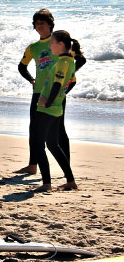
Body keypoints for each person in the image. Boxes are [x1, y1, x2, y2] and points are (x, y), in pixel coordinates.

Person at [16, 9, 85, 175]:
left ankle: (65, 167)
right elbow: (21, 66)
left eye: (43, 23)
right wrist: (32, 80)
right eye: (37, 24)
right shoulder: (33, 47)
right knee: (35, 129)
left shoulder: (60, 42)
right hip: (39, 92)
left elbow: (80, 60)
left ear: (50, 24)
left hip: (57, 91)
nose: (40, 26)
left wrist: (69, 77)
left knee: (59, 130)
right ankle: (33, 165)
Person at [33, 30, 81, 192]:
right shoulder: (70, 62)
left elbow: (57, 85)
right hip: (57, 109)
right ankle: (70, 181)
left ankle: (46, 183)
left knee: (37, 143)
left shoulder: (62, 63)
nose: (50, 45)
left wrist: (48, 102)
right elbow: (72, 83)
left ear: (61, 44)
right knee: (53, 144)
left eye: (52, 42)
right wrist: (60, 98)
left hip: (47, 110)